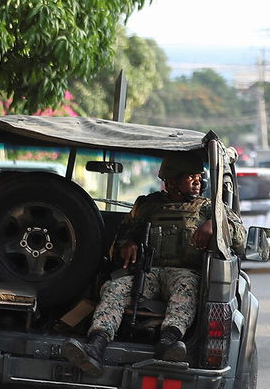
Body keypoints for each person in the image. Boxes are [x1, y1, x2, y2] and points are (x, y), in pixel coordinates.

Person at [64, 152, 247, 375]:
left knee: (187, 286)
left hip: (185, 273)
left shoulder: (210, 208)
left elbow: (241, 237)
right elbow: (119, 239)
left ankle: (169, 342)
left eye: (199, 176)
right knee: (115, 287)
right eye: (190, 177)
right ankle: (96, 345)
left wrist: (214, 224)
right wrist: (127, 243)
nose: (198, 181)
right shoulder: (146, 206)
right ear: (171, 181)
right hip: (148, 272)